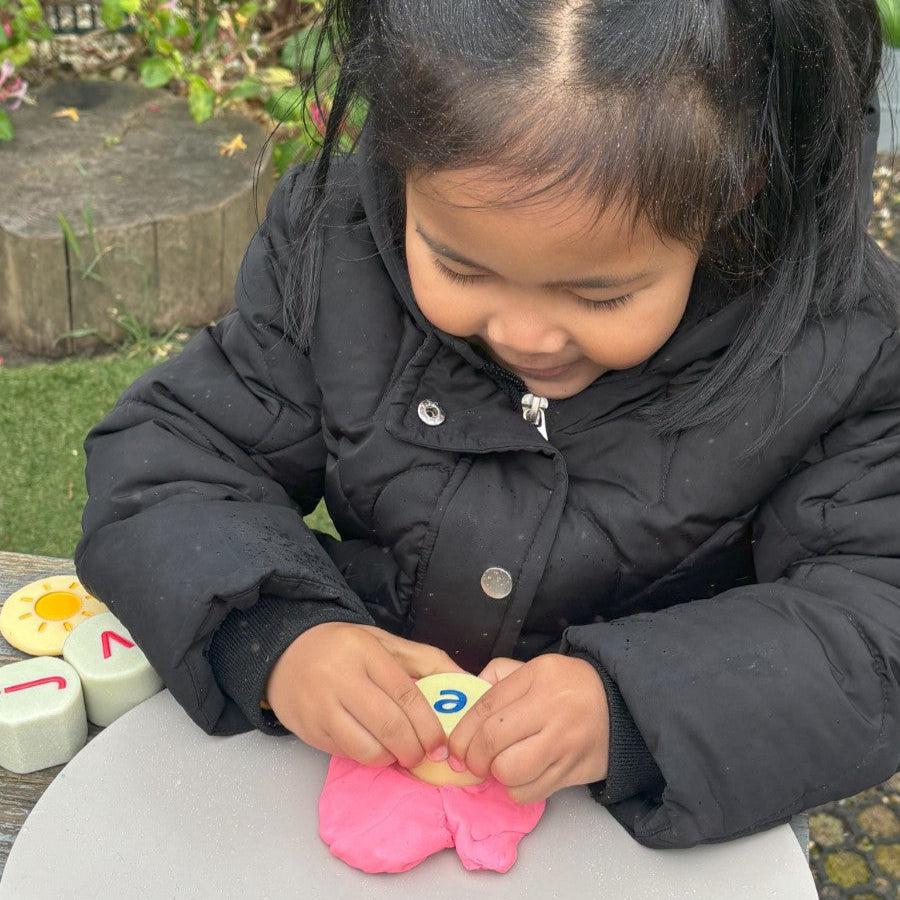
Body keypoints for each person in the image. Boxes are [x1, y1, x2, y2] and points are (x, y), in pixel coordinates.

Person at [75, 0, 898, 851]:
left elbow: (874, 623)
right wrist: (277, 635)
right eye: (460, 264)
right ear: (397, 155)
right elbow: (175, 461)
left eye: (600, 293)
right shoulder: (338, 244)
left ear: (739, 187)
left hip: (659, 805)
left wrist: (630, 705)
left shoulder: (839, 348)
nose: (523, 335)